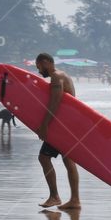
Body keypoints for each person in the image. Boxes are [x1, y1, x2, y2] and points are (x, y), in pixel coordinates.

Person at [35, 53, 80, 210]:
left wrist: (45, 125)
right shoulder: (63, 75)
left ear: (46, 62)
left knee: (43, 157)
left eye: (39, 67)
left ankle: (54, 196)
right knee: (68, 160)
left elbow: (55, 102)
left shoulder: (56, 76)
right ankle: (75, 200)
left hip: (61, 127)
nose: (39, 71)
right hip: (69, 125)